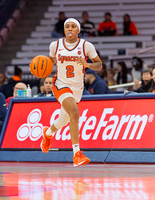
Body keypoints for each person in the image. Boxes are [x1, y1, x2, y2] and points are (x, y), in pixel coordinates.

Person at [39, 18, 102, 167]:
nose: (70, 28)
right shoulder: (55, 45)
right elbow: (50, 63)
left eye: (73, 26)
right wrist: (42, 68)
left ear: (78, 30)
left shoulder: (86, 46)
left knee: (63, 120)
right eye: (67, 26)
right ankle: (77, 154)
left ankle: (48, 133)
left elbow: (99, 64)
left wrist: (87, 64)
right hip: (60, 84)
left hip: (77, 87)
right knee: (75, 113)